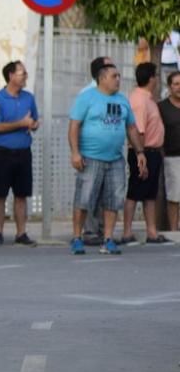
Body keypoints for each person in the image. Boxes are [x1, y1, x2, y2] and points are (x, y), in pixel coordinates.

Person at [68, 60, 146, 255]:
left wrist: (140, 152)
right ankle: (77, 238)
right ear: (101, 79)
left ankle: (108, 239)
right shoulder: (87, 98)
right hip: (91, 157)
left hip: (115, 159)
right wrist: (75, 152)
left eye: (119, 76)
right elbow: (74, 126)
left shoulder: (122, 100)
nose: (118, 79)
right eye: (114, 76)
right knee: (84, 199)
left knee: (113, 200)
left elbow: (131, 127)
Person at [0, 60, 39, 247]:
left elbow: (34, 120)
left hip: (24, 152)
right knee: (0, 194)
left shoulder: (29, 98)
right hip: (3, 153)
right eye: (22, 73)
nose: (25, 77)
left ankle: (21, 232)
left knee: (21, 195)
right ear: (10, 76)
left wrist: (33, 124)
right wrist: (21, 124)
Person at [122, 62, 169, 244]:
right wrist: (140, 154)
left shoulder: (148, 98)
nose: (157, 79)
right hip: (143, 151)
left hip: (152, 152)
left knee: (150, 194)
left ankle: (152, 231)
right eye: (155, 76)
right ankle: (127, 232)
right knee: (135, 191)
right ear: (151, 78)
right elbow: (138, 130)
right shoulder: (140, 100)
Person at [158, 71, 180, 230]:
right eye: (176, 84)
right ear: (170, 87)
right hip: (172, 157)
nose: (179, 87)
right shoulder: (162, 107)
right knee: (174, 195)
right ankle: (173, 230)